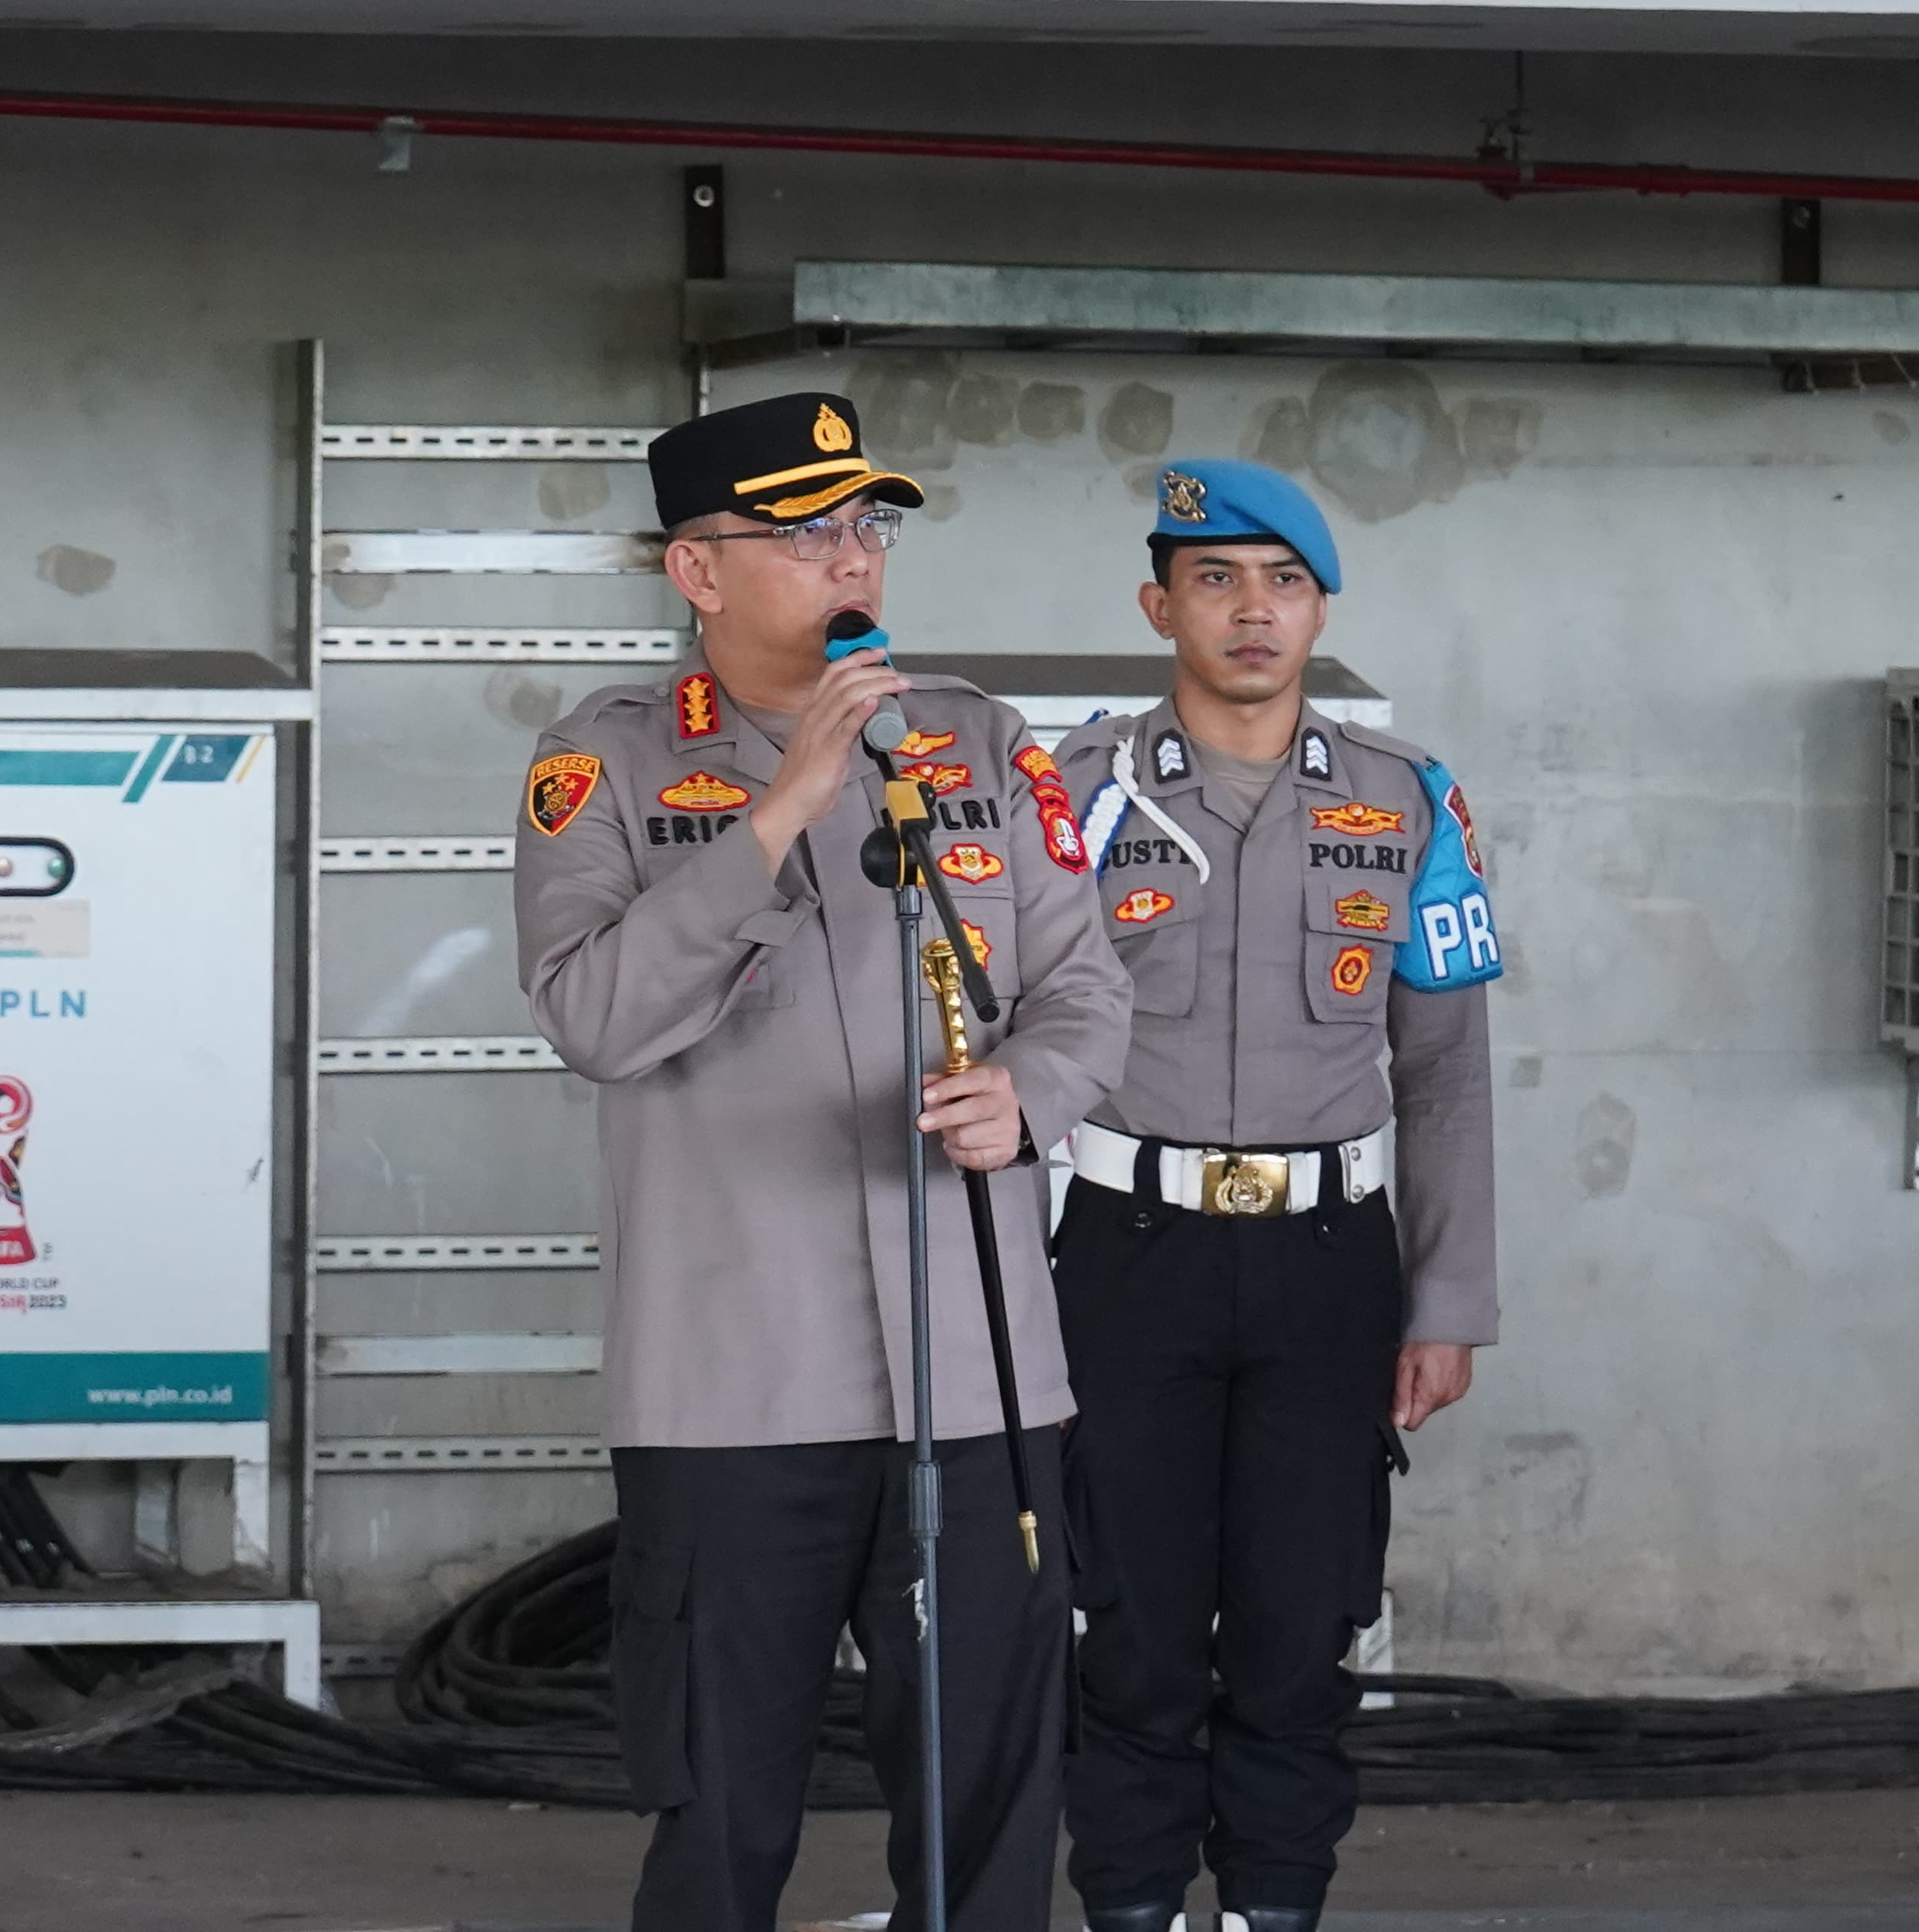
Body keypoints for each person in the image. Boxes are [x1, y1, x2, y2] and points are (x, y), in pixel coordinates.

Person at [511, 392, 1134, 1932]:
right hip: (736, 1385)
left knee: (996, 1796)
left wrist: (1033, 1097)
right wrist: (785, 805)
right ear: (698, 573)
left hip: (980, 1376)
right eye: (804, 534)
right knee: (723, 1805)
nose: (851, 557)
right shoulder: (605, 768)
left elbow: (1086, 988)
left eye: (867, 525)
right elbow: (593, 1015)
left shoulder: (981, 743)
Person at [1051, 460, 1501, 1932]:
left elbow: (1444, 1074)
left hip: (1328, 1264)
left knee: (1306, 1626)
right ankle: (1128, 1905)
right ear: (1158, 603)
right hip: (1124, 1254)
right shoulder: (1072, 798)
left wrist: (1446, 1301)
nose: (1254, 611)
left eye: (1285, 583)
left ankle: (1271, 1909)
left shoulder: (1407, 802)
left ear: (1321, 610)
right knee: (1131, 1627)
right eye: (1218, 579)